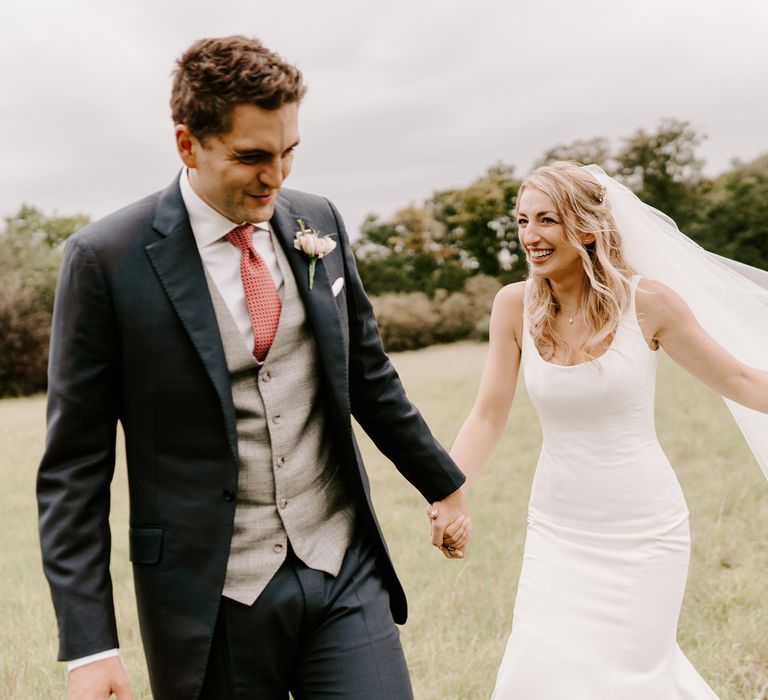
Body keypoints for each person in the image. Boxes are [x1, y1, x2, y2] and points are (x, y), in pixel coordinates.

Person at [37, 35, 471, 700]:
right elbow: (74, 468)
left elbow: (368, 372)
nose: (277, 176)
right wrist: (90, 646)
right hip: (213, 598)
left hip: (341, 567)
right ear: (188, 145)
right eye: (252, 157)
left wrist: (440, 481)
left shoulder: (317, 221)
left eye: (288, 151)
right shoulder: (105, 260)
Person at [441, 161, 768, 698]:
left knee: (629, 680)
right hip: (557, 530)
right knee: (536, 672)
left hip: (644, 531)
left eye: (546, 220)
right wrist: (450, 493)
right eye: (522, 221)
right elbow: (486, 415)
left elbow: (737, 377)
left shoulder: (650, 305)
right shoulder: (512, 306)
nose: (530, 236)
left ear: (587, 227)